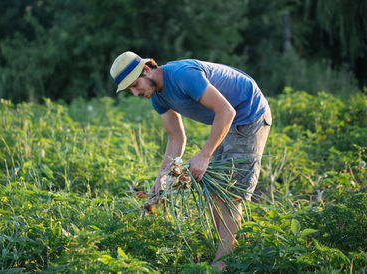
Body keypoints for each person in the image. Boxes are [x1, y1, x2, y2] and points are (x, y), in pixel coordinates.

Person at [110, 51, 272, 271]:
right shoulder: (157, 97)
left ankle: (223, 263)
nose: (136, 92)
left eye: (135, 84)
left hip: (248, 112)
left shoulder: (183, 75)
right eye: (130, 90)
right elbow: (176, 137)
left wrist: (204, 155)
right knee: (216, 191)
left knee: (231, 194)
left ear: (146, 69)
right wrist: (162, 177)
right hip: (227, 119)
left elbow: (226, 110)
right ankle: (229, 249)